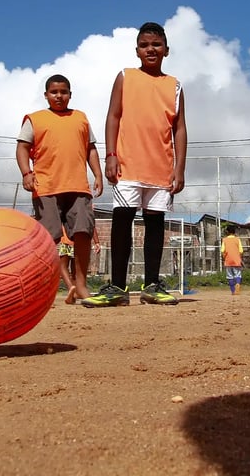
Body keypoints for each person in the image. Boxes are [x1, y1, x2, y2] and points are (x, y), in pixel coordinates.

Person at [83, 22, 187, 308]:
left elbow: (179, 129)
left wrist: (179, 169)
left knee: (155, 224)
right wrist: (111, 154)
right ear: (137, 50)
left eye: (156, 44)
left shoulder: (175, 86)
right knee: (122, 221)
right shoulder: (125, 77)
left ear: (166, 50)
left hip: (161, 168)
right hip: (127, 165)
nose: (150, 49)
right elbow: (113, 116)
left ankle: (152, 285)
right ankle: (117, 287)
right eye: (144, 45)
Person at [17, 74, 104, 305]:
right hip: (46, 187)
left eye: (63, 92)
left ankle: (81, 286)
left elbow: (91, 148)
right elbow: (22, 148)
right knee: (47, 237)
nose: (59, 96)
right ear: (46, 95)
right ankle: (39, 287)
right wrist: (26, 173)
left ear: (70, 94)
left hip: (78, 186)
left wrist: (97, 174)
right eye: (54, 92)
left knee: (83, 231)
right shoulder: (35, 119)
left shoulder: (81, 118)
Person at [221, 225, 245, 296]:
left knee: (230, 276)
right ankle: (237, 284)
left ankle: (233, 291)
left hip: (228, 260)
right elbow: (241, 250)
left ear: (227, 232)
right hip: (236, 260)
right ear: (234, 231)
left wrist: (224, 257)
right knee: (238, 274)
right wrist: (239, 257)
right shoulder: (237, 239)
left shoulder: (225, 240)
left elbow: (222, 250)